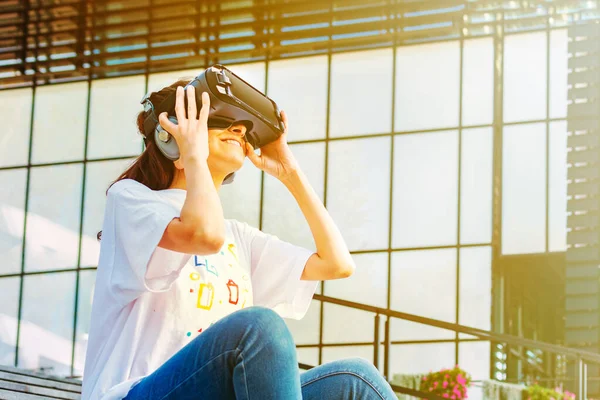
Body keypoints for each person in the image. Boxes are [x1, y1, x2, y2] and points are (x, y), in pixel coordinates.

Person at [81, 78, 398, 400]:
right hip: (135, 394)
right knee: (259, 326)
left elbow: (336, 264)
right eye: (219, 121)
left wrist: (290, 173)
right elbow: (203, 236)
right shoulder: (131, 200)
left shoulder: (239, 237)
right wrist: (192, 156)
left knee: (355, 379)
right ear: (169, 139)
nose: (237, 130)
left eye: (241, 127)